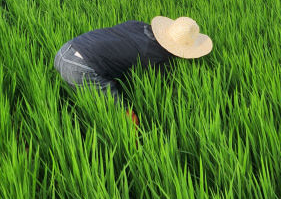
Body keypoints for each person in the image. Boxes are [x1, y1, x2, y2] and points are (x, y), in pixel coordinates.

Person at [53, 16, 213, 123]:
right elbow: (164, 86)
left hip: (64, 51)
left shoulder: (137, 25)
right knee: (127, 118)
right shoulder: (154, 55)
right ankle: (137, 150)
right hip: (80, 67)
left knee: (87, 103)